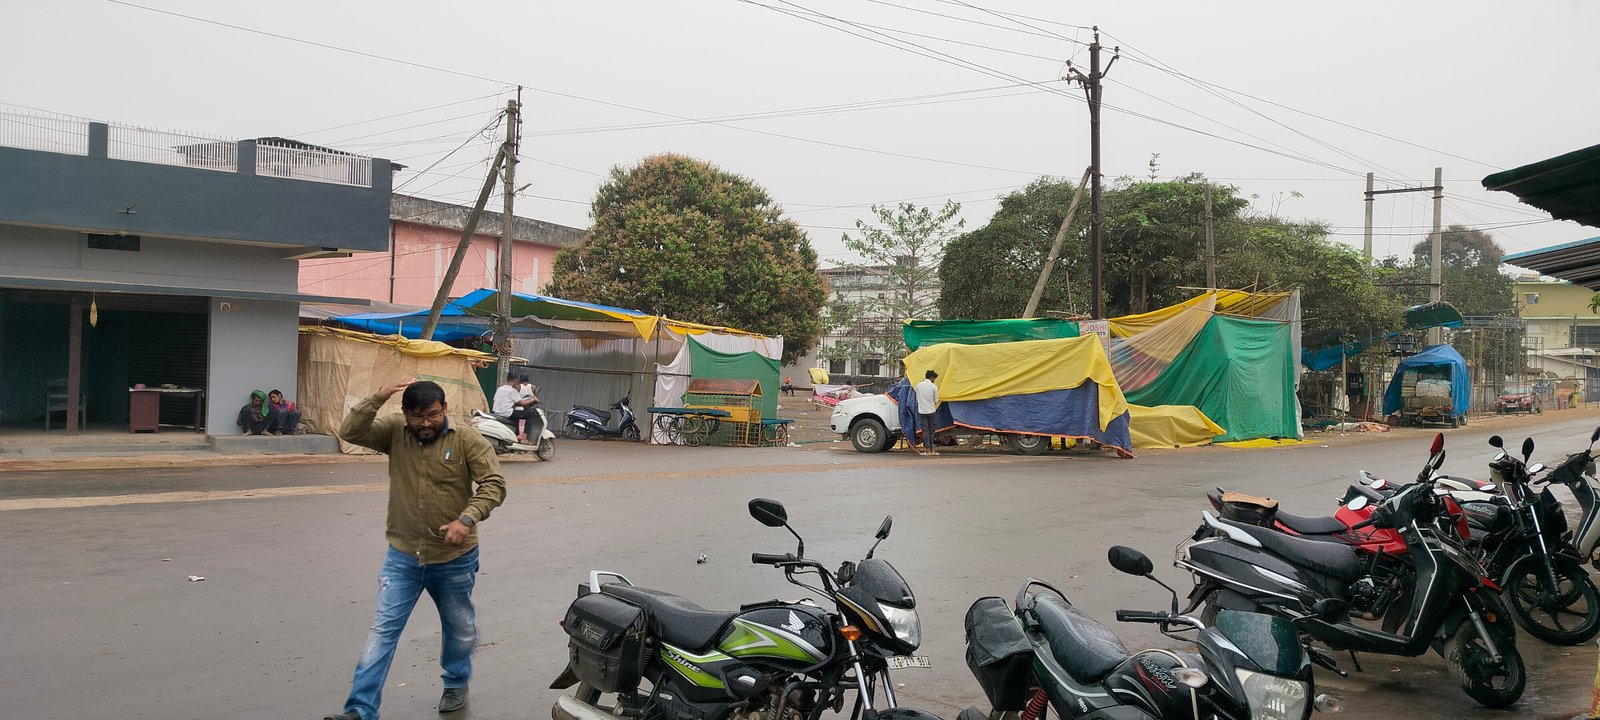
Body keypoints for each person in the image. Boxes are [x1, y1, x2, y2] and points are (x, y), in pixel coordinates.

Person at [323, 380, 507, 720]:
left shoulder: (466, 439)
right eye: (416, 416)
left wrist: (466, 519)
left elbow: (494, 484)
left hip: (454, 559)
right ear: (404, 413)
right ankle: (361, 710)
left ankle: (455, 682)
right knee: (383, 630)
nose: (425, 423)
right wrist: (379, 395)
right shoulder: (394, 431)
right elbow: (350, 431)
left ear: (445, 409)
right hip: (403, 556)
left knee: (459, 628)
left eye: (433, 415)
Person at [492, 373, 538, 441]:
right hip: (507, 413)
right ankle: (524, 435)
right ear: (515, 380)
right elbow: (522, 403)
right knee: (530, 414)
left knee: (518, 417)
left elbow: (494, 400)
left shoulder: (499, 389)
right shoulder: (513, 391)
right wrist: (533, 399)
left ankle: (516, 436)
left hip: (497, 412)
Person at [914, 370, 940, 456]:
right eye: (934, 378)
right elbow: (936, 401)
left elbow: (917, 398)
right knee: (932, 431)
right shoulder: (934, 387)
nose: (934, 380)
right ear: (931, 377)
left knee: (925, 430)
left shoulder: (918, 386)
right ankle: (932, 449)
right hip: (931, 411)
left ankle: (927, 450)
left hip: (922, 411)